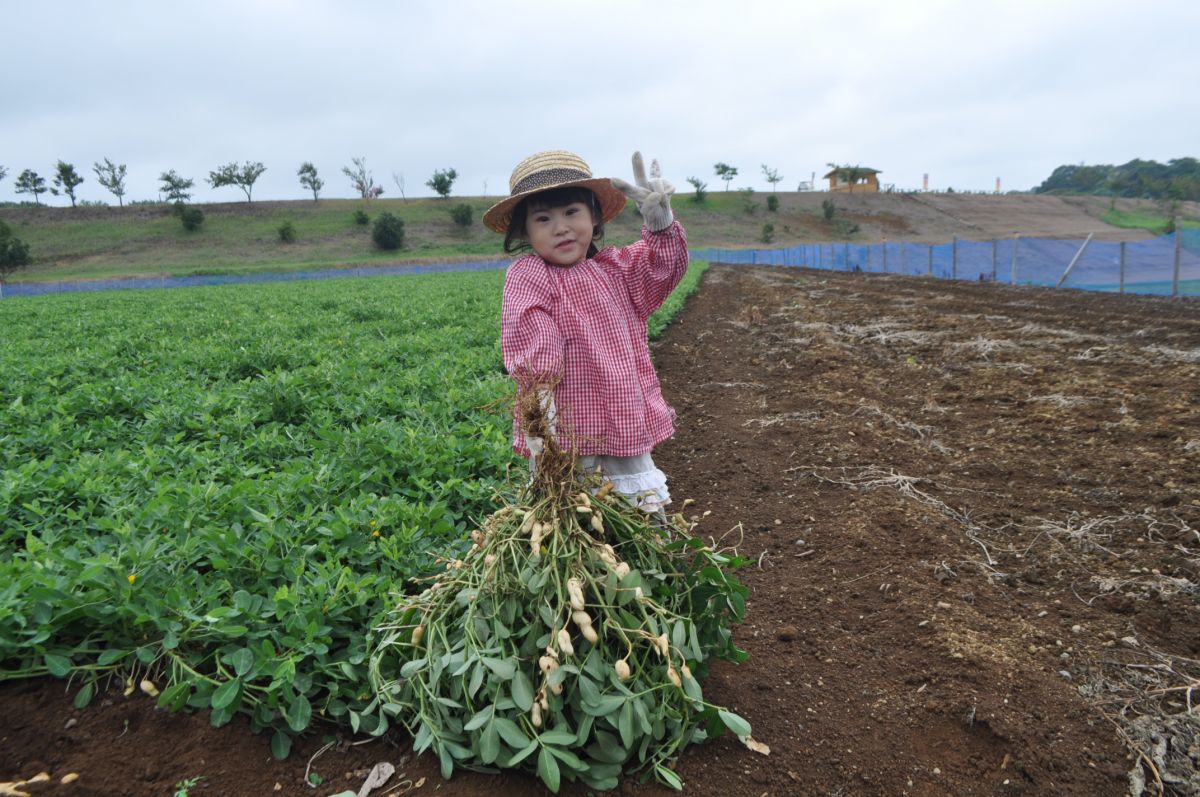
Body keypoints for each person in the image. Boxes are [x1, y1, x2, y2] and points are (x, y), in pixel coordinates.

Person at [484, 150, 687, 515]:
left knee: (638, 516)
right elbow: (535, 338)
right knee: (572, 519)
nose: (560, 227)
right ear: (524, 232)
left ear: (594, 216)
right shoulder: (530, 275)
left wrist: (661, 225)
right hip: (567, 434)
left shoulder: (618, 270)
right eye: (543, 219)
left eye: (571, 213)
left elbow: (662, 271)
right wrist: (540, 420)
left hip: (624, 421)